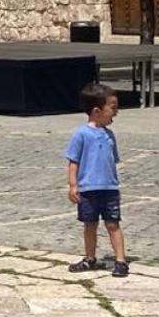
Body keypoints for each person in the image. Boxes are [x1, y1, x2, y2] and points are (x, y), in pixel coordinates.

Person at [65, 83, 129, 277]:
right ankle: (90, 257)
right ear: (97, 111)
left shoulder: (110, 135)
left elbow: (112, 160)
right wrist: (73, 185)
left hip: (109, 188)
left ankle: (121, 261)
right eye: (113, 108)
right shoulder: (81, 134)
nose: (116, 113)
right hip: (88, 189)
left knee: (113, 224)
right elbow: (73, 160)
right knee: (90, 224)